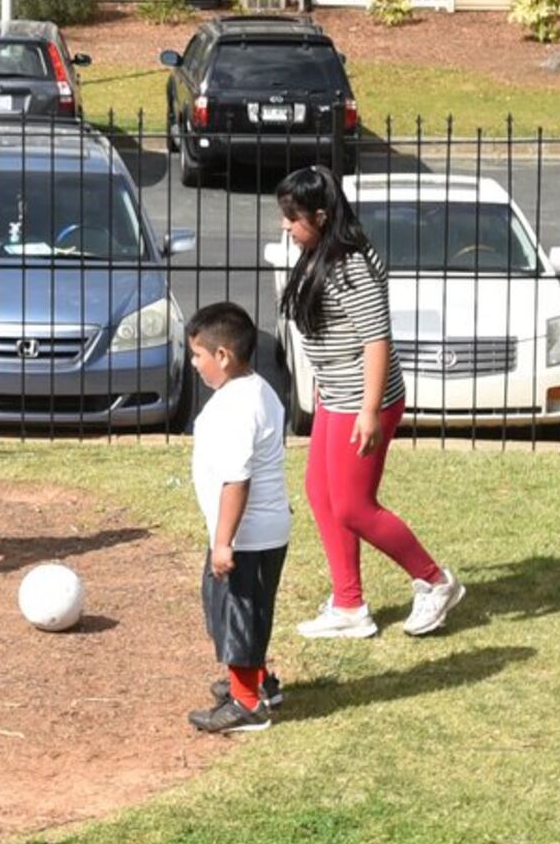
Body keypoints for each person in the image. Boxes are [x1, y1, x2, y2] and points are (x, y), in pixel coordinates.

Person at [275, 168, 462, 639]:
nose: (286, 226)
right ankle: (349, 605)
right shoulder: (320, 252)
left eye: (293, 218)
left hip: (363, 402)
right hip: (336, 397)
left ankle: (436, 582)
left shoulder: (349, 265)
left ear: (320, 217)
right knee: (321, 493)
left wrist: (368, 411)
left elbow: (377, 340)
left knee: (354, 507)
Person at [184, 303, 293, 736]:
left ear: (223, 356)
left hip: (246, 537)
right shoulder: (256, 388)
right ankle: (256, 679)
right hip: (262, 532)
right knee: (240, 610)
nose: (194, 364)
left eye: (197, 355)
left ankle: (248, 704)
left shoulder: (234, 407)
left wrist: (224, 542)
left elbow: (236, 480)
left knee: (237, 614)